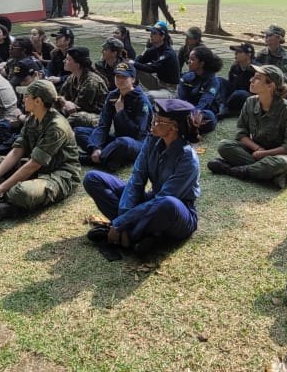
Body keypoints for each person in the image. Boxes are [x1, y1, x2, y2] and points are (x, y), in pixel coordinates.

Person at [83, 98, 200, 254]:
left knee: (167, 203)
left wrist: (120, 222)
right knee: (92, 178)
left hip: (176, 213)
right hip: (151, 202)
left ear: (173, 128)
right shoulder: (152, 141)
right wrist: (122, 219)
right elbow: (137, 180)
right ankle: (135, 236)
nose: (153, 123)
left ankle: (130, 236)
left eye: (158, 121)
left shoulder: (188, 159)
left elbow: (164, 198)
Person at [0, 79, 82, 225]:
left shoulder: (57, 127)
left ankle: (7, 204)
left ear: (38, 101)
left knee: (22, 192)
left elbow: (34, 165)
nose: (23, 99)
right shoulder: (33, 118)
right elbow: (16, 151)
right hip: (37, 168)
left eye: (27, 96)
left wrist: (1, 189)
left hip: (59, 174)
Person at [209, 65, 287, 188]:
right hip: (258, 151)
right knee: (224, 146)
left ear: (270, 85)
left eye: (257, 78)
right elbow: (241, 134)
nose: (251, 80)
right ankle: (269, 174)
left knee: (278, 164)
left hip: (286, 157)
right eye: (253, 77)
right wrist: (258, 149)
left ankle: (231, 170)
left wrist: (264, 154)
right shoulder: (250, 102)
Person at [75, 61, 152, 170]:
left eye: (124, 77)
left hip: (136, 143)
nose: (119, 80)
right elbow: (103, 125)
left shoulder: (141, 100)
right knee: (79, 131)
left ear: (133, 79)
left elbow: (138, 132)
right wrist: (96, 147)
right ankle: (108, 157)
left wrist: (121, 113)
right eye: (117, 76)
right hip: (117, 138)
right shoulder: (113, 95)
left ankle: (91, 159)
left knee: (123, 143)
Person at [57, 46, 109, 129]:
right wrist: (64, 102)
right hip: (78, 112)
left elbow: (77, 108)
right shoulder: (73, 77)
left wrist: (64, 103)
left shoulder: (91, 82)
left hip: (96, 117)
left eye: (68, 59)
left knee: (75, 118)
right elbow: (60, 96)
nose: (64, 61)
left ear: (77, 65)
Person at [176, 45, 222, 134]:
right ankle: (186, 124)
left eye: (192, 59)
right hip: (186, 109)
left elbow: (204, 103)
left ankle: (183, 124)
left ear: (201, 64)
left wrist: (192, 114)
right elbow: (181, 100)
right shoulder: (186, 77)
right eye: (189, 59)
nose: (188, 62)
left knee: (209, 118)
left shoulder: (213, 82)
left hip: (201, 112)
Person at [134, 22, 181, 95]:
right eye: (151, 33)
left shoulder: (168, 54)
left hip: (170, 90)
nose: (151, 36)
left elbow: (152, 68)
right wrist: (132, 63)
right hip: (158, 83)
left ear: (162, 37)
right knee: (137, 67)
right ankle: (132, 88)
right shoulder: (153, 49)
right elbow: (139, 60)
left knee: (148, 96)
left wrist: (133, 63)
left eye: (154, 34)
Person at [221, 42, 255, 118]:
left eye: (239, 52)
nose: (235, 54)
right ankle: (222, 105)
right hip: (234, 93)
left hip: (249, 97)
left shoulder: (256, 69)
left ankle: (224, 106)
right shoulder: (235, 67)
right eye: (235, 51)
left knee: (240, 93)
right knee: (219, 80)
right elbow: (230, 83)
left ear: (248, 55)